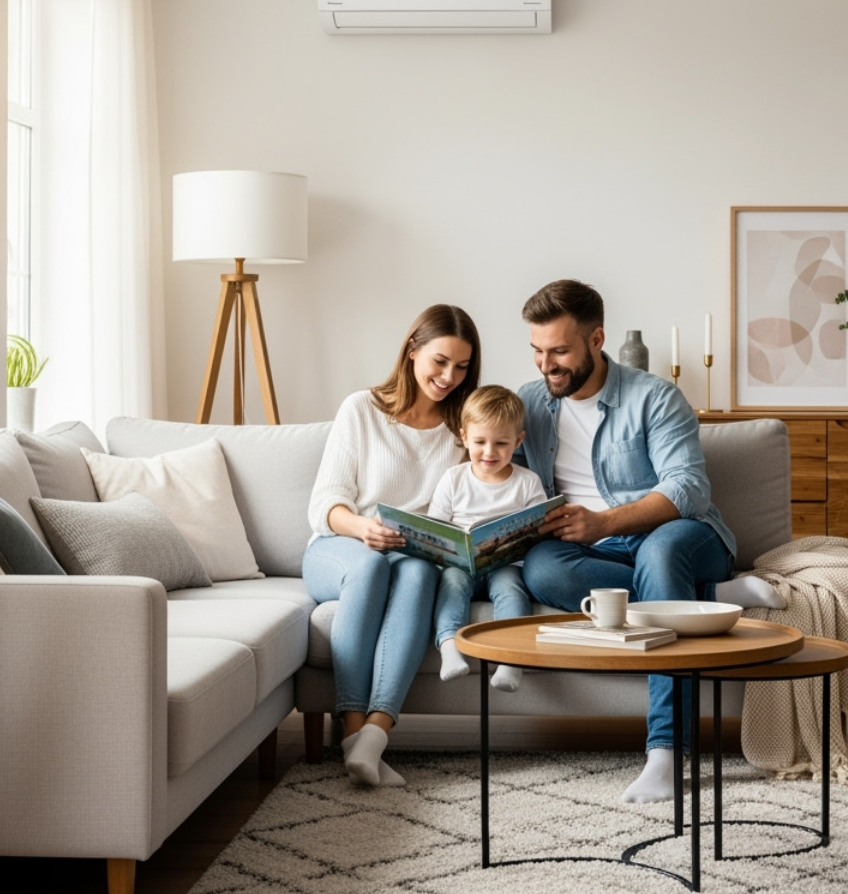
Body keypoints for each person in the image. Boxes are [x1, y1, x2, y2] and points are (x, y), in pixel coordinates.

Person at [515, 280, 785, 803]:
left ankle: (665, 753)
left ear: (597, 341)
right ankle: (715, 599)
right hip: (588, 548)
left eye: (560, 351)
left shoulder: (654, 396)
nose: (547, 365)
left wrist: (606, 522)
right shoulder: (529, 404)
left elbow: (687, 487)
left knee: (662, 558)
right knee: (544, 570)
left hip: (680, 533)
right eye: (537, 351)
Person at [305, 304, 481, 787]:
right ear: (412, 351)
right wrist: (362, 529)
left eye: (462, 367)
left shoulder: (462, 430)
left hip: (413, 556)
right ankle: (351, 728)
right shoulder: (361, 409)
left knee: (420, 572)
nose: (449, 376)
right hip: (339, 547)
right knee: (371, 567)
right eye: (440, 361)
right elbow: (325, 503)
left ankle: (376, 735)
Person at [427, 385, 545, 693]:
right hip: (462, 564)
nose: (489, 452)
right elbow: (437, 529)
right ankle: (450, 647)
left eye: (501, 443)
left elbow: (540, 530)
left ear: (518, 441)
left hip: (507, 563)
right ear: (465, 437)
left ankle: (511, 660)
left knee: (511, 589)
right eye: (479, 442)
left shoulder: (527, 483)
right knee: (451, 583)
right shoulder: (453, 479)